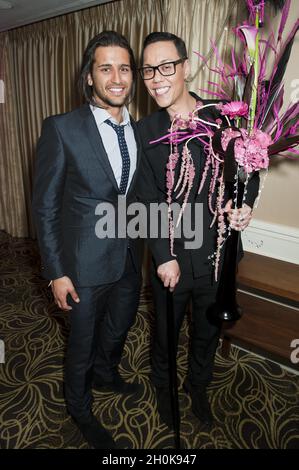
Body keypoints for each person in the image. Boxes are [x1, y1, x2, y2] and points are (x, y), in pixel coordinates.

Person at [137, 32, 259, 428]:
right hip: (171, 257)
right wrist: (164, 256)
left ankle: (198, 388)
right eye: (149, 70)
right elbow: (145, 200)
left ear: (186, 67)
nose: (157, 78)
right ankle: (164, 389)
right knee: (166, 335)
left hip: (218, 255)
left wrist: (245, 204)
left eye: (167, 66)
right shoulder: (145, 131)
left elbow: (249, 167)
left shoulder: (223, 116)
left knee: (208, 332)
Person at [32, 31, 143, 449]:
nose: (117, 77)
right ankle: (79, 408)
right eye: (105, 68)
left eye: (124, 68)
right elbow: (44, 207)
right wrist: (56, 273)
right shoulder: (61, 129)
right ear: (90, 77)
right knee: (80, 343)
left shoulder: (141, 127)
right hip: (82, 265)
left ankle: (107, 372)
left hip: (130, 256)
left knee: (118, 329)